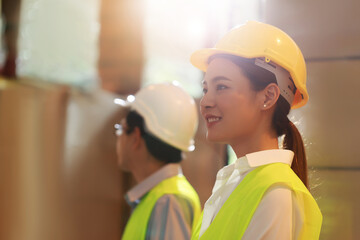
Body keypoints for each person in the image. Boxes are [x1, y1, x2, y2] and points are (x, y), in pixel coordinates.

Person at [189, 21, 322, 239]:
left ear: (268, 96)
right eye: (205, 89)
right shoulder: (237, 183)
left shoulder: (275, 192)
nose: (205, 101)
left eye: (221, 87)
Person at [114, 83, 201, 240]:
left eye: (121, 128)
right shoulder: (159, 198)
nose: (118, 136)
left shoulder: (167, 202)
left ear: (135, 137)